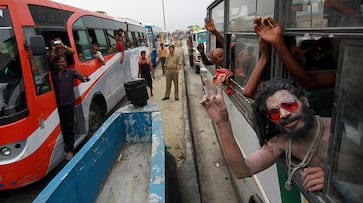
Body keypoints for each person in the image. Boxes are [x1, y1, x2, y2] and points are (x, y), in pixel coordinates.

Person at [201, 78, 331, 193]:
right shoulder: (282, 142)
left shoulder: (339, 131)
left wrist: (333, 182)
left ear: (304, 102)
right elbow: (242, 170)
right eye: (275, 112)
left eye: (290, 105)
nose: (284, 114)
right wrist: (222, 122)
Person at [254, 17, 337, 116]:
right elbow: (249, 93)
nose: (284, 114)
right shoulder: (290, 84)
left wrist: (277, 43)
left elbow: (309, 82)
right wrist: (266, 54)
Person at [52, 55, 90, 160]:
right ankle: (65, 145)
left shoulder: (70, 72)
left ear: (66, 63)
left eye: (62, 62)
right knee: (62, 126)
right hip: (58, 105)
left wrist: (84, 78)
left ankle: (70, 149)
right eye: (59, 62)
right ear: (56, 63)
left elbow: (80, 76)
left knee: (69, 125)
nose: (61, 64)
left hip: (69, 103)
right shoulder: (53, 73)